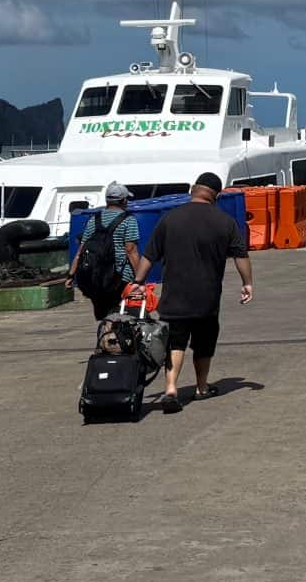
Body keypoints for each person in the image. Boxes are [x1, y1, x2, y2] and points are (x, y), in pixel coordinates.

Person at [135, 171, 251, 411]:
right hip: (207, 299)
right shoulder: (225, 221)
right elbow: (241, 255)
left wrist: (138, 281)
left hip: (174, 297)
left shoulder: (170, 218)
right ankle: (201, 387)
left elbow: (149, 255)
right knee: (204, 344)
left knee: (174, 343)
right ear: (215, 196)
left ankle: (170, 388)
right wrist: (247, 283)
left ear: (193, 190)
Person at [70, 180, 142, 321]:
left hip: (94, 277)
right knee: (121, 316)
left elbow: (80, 251)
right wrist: (140, 278)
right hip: (120, 277)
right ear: (123, 200)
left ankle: (105, 338)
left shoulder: (94, 220)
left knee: (104, 317)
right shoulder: (128, 220)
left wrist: (71, 275)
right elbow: (131, 250)